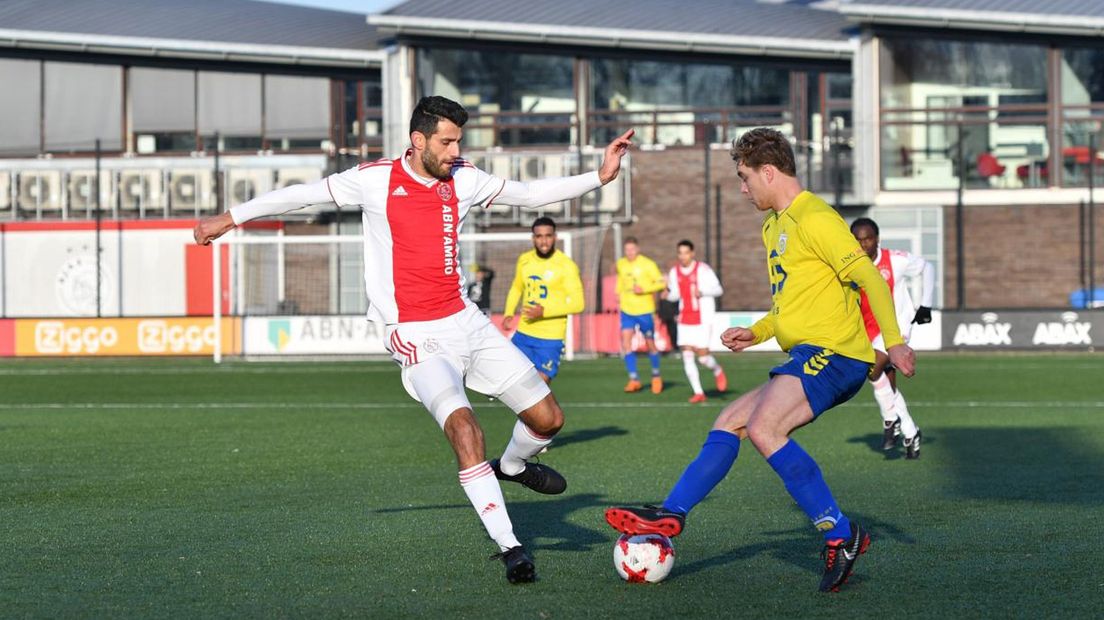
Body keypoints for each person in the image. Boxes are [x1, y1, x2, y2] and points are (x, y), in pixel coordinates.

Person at [193, 96, 634, 584]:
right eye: (446, 142)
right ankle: (510, 546)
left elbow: (529, 194)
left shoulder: (464, 177)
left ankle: (511, 466)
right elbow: (300, 195)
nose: (454, 151)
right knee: (465, 430)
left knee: (549, 420)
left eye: (458, 142)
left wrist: (600, 175)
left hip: (467, 321)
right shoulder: (375, 179)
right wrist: (230, 218)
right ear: (418, 140)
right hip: (416, 336)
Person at [604, 127, 916, 593]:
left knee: (766, 429)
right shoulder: (774, 226)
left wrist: (893, 343)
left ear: (769, 172)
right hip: (810, 353)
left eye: (745, 178)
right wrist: (757, 331)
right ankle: (672, 511)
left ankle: (841, 534)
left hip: (837, 354)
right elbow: (790, 306)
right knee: (729, 420)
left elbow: (870, 279)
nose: (743, 188)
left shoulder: (816, 217)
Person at [850, 217, 934, 459]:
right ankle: (910, 430)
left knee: (873, 369)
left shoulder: (895, 260)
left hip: (896, 329)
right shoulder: (850, 264)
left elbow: (927, 267)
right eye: (857, 239)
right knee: (884, 377)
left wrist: (925, 306)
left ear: (877, 239)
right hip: (867, 329)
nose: (862, 243)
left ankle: (890, 420)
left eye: (867, 238)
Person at [502, 216, 584, 383]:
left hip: (550, 338)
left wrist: (544, 312)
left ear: (555, 237)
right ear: (533, 238)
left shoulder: (566, 265)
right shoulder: (524, 260)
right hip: (524, 333)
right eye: (539, 236)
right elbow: (517, 287)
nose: (544, 241)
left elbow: (578, 303)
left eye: (548, 236)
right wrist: (508, 312)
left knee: (539, 386)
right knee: (515, 385)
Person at [665, 240, 727, 404]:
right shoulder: (674, 272)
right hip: (684, 318)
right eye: (680, 253)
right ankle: (699, 392)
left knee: (703, 358)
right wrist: (667, 294)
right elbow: (675, 295)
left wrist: (703, 292)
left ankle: (717, 369)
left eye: (686, 253)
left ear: (692, 253)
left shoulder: (703, 269)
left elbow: (718, 289)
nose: (683, 256)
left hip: (702, 318)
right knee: (686, 353)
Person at [616, 237, 667, 393]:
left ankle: (656, 377)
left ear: (637, 249)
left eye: (632, 249)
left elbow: (661, 283)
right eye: (627, 250)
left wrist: (644, 288)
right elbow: (620, 281)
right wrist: (617, 293)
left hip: (644, 310)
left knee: (650, 344)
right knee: (626, 343)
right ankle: (634, 379)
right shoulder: (621, 264)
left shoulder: (648, 264)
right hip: (626, 310)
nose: (629, 252)